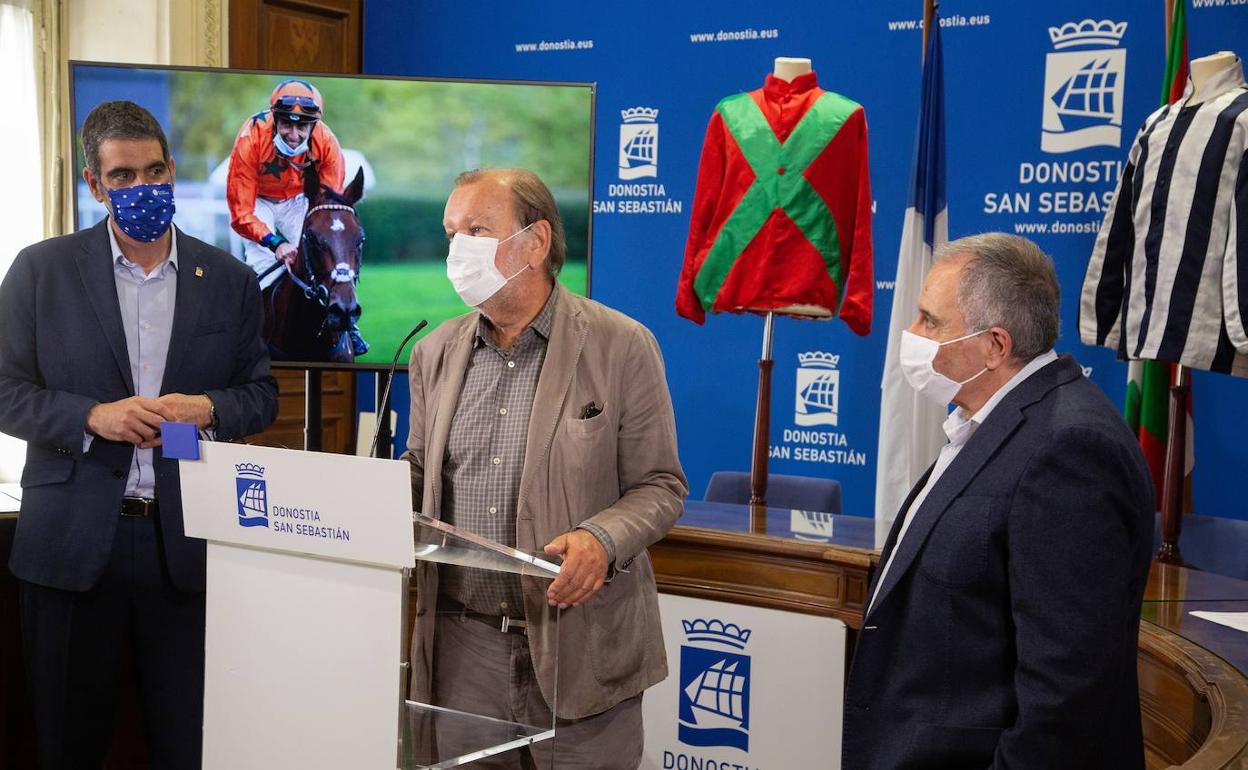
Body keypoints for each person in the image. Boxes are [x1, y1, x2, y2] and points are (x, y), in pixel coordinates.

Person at [0, 100, 279, 770]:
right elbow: (6, 392)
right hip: (69, 550)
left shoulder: (231, 280)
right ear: (95, 187)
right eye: (123, 177)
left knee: (190, 744)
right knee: (70, 745)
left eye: (154, 171)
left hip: (186, 551)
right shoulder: (41, 273)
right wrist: (93, 417)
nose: (142, 189)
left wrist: (208, 408)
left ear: (172, 170)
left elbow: (261, 395)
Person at [402, 168, 688, 768]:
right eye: (452, 232)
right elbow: (420, 475)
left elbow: (660, 486)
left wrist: (601, 539)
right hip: (463, 654)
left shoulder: (621, 344)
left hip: (580, 649)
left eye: (477, 229)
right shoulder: (433, 353)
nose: (458, 248)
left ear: (535, 243)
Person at [842, 233, 1154, 770]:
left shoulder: (1069, 449)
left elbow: (1066, 693)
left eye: (929, 321)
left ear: (996, 345)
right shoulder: (988, 420)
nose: (911, 335)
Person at [225, 78, 369, 355]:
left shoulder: (327, 143)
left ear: (313, 125)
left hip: (300, 199)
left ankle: (348, 325)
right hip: (258, 201)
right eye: (287, 124)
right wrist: (276, 243)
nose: (293, 134)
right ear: (275, 119)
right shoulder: (250, 138)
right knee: (264, 267)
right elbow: (241, 211)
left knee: (317, 258)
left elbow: (328, 208)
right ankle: (245, 335)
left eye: (302, 126)